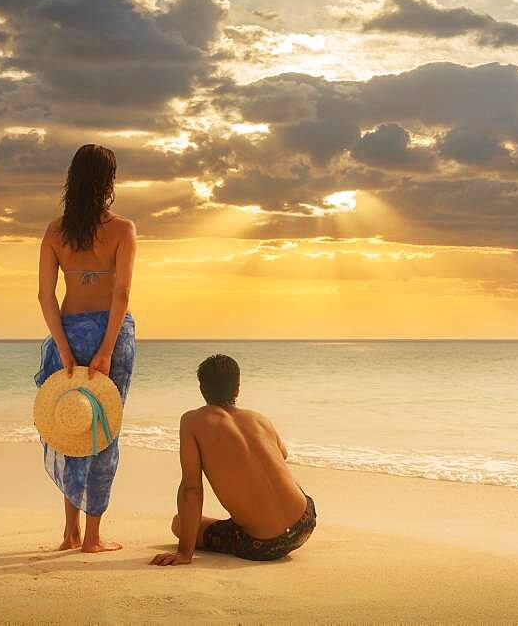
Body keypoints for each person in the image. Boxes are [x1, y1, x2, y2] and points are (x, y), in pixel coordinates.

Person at [34, 143, 137, 553]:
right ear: (109, 182)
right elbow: (122, 292)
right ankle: (93, 537)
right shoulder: (122, 230)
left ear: (72, 179)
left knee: (68, 427)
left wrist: (62, 347)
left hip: (68, 334)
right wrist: (108, 348)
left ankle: (69, 533)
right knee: (102, 433)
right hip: (111, 336)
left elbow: (45, 296)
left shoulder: (55, 232)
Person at [151, 354, 316, 566]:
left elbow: (192, 489)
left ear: (202, 388)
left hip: (263, 544)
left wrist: (185, 553)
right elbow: (282, 456)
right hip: (305, 521)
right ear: (237, 388)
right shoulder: (259, 418)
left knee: (178, 524)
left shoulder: (192, 421)